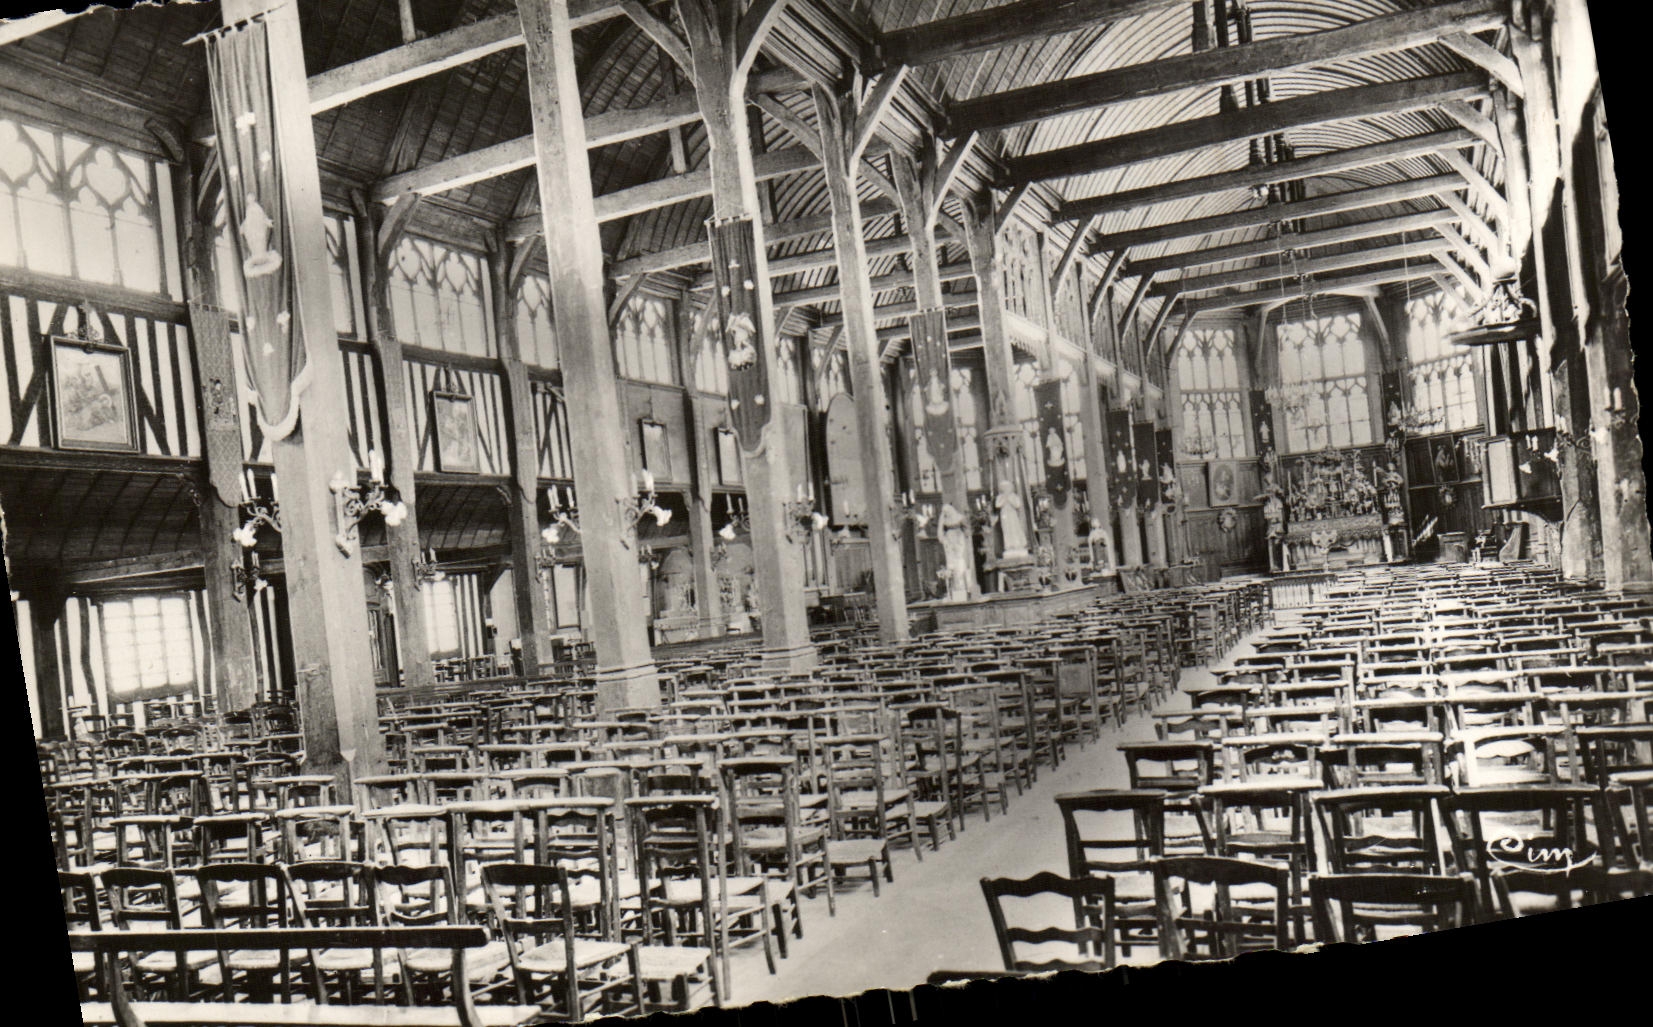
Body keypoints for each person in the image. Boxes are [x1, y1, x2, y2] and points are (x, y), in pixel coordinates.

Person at [937, 502, 973, 600]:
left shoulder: (960, 518)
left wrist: (966, 534)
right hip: (949, 541)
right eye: (944, 513)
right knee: (951, 562)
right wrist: (944, 538)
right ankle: (954, 589)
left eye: (947, 512)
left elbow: (967, 529)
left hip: (959, 539)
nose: (946, 514)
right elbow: (941, 532)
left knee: (960, 560)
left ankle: (963, 586)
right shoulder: (944, 520)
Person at [995, 479, 1030, 560]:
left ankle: (1017, 545)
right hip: (1004, 516)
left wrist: (1010, 498)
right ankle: (1009, 546)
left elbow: (1017, 505)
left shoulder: (1013, 496)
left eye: (1007, 487)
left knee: (1015, 529)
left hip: (1012, 515)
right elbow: (998, 505)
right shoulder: (1000, 497)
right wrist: (1004, 498)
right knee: (1007, 530)